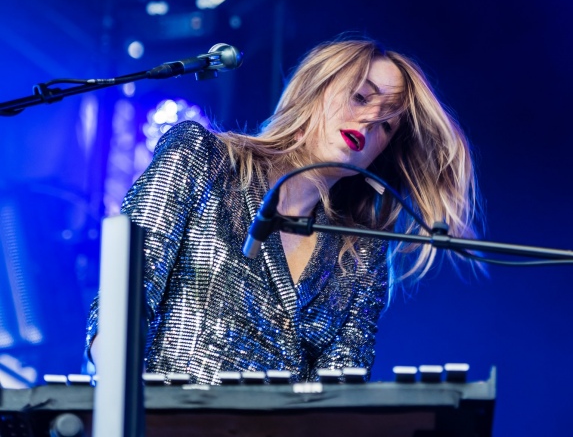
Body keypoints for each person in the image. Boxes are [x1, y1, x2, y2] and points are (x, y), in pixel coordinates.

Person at [86, 38, 480, 383]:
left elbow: (339, 395)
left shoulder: (360, 255)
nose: (371, 119)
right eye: (361, 96)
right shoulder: (202, 158)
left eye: (388, 125)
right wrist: (125, 411)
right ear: (315, 88)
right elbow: (124, 300)